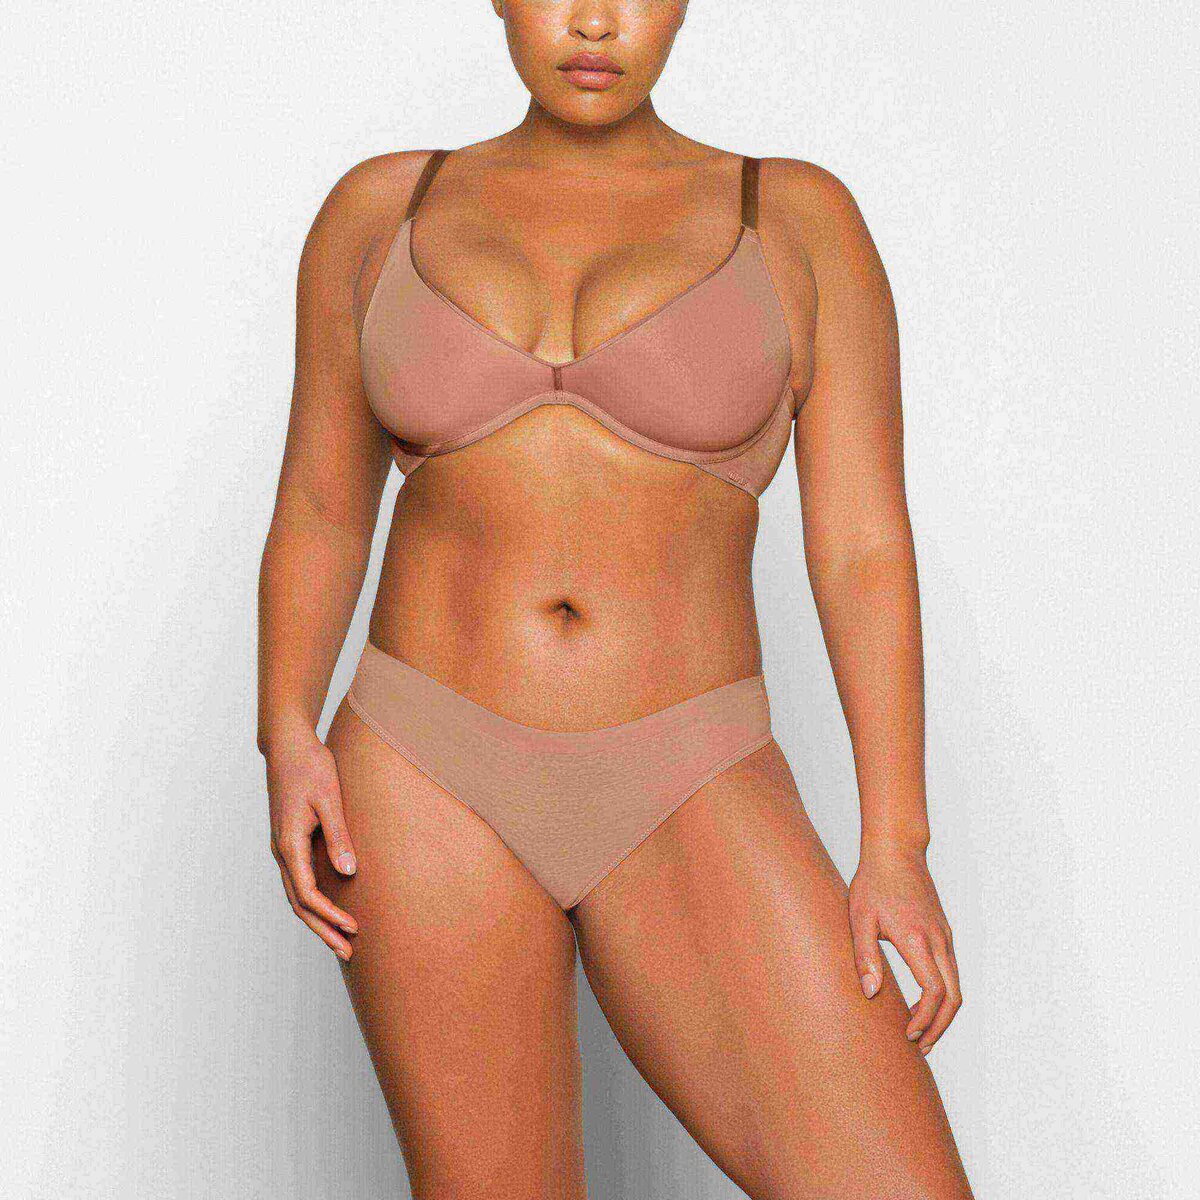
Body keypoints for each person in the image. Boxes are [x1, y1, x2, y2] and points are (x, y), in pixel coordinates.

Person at [257, 2, 973, 1195]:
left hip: (690, 764)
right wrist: (284, 727)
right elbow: (324, 504)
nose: (595, 21)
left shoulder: (796, 218)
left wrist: (895, 841)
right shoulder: (381, 211)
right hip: (423, 759)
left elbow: (860, 546)